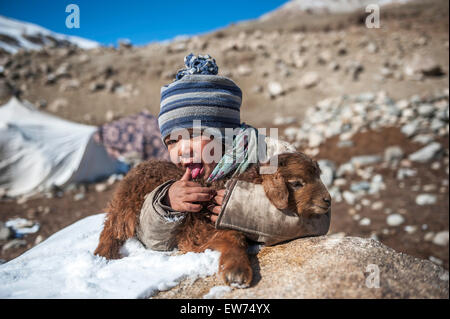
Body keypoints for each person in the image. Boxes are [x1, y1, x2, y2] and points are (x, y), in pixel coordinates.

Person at [136, 53, 330, 251]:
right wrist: (166, 204)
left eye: (193, 135)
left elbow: (319, 220)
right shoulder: (179, 177)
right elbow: (146, 236)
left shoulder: (271, 155)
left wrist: (245, 210)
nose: (182, 150)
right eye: (172, 141)